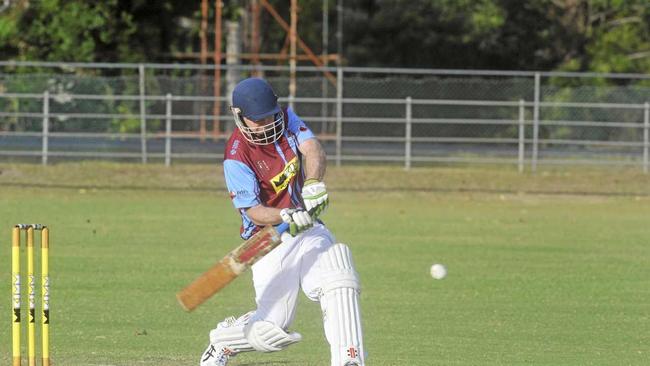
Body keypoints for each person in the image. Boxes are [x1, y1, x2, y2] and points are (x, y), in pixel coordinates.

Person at [199, 77, 366, 366]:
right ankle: (223, 341)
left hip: (309, 228)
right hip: (267, 239)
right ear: (239, 117)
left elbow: (312, 148)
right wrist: (285, 214)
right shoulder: (236, 156)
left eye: (270, 117)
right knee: (271, 329)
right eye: (258, 120)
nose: (267, 124)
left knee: (339, 278)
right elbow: (252, 210)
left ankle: (350, 360)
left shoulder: (288, 118)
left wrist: (313, 184)